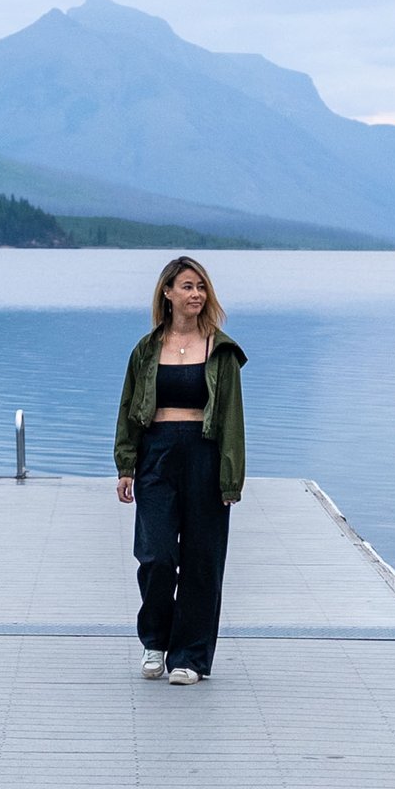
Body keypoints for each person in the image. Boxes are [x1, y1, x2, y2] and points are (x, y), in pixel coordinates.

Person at [114, 256, 247, 686]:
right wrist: (126, 464)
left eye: (201, 288)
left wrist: (230, 478)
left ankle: (189, 655)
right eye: (187, 287)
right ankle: (155, 641)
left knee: (201, 560)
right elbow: (129, 411)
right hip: (157, 457)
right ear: (167, 293)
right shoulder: (147, 349)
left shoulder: (221, 350)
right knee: (155, 555)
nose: (195, 295)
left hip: (204, 458)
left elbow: (231, 420)